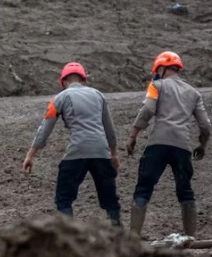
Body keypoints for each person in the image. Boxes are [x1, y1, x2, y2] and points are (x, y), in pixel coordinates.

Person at [22, 62, 121, 225]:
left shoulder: (59, 98)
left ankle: (67, 237)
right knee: (110, 200)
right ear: (83, 80)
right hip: (101, 152)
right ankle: (119, 237)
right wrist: (114, 154)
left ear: (64, 82)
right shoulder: (98, 95)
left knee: (64, 199)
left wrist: (30, 155)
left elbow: (44, 130)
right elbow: (110, 129)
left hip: (76, 152)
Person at [127, 51, 211, 237]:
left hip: (158, 143)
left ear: (162, 69)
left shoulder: (156, 85)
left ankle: (133, 236)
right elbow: (205, 125)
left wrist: (133, 135)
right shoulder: (194, 93)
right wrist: (202, 145)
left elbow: (148, 109)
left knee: (143, 188)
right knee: (185, 191)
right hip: (182, 146)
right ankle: (190, 237)